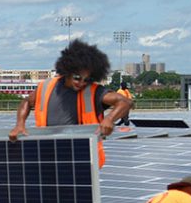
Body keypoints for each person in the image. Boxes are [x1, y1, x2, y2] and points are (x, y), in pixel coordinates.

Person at [8, 39, 132, 168]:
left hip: (83, 159)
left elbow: (125, 102)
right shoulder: (45, 86)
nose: (82, 83)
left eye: (87, 79)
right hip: (48, 156)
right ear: (67, 70)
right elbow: (27, 102)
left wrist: (110, 119)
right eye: (77, 77)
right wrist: (20, 124)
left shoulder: (93, 91)